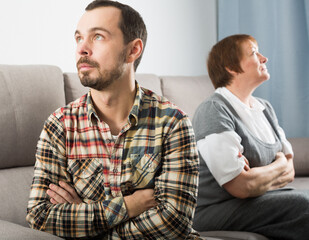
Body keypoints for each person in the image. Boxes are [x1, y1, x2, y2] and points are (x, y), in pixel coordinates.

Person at [26, 1, 201, 239]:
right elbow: (41, 216)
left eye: (98, 37)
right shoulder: (61, 125)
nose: (82, 49)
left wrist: (88, 223)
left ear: (133, 50)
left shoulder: (173, 123)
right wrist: (131, 205)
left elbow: (173, 222)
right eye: (78, 38)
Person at [192, 34, 309, 239]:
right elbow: (241, 186)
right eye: (254, 52)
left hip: (255, 200)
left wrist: (257, 177)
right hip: (215, 209)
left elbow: (289, 171)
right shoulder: (214, 111)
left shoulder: (265, 108)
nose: (264, 58)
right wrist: (278, 164)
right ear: (230, 66)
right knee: (303, 207)